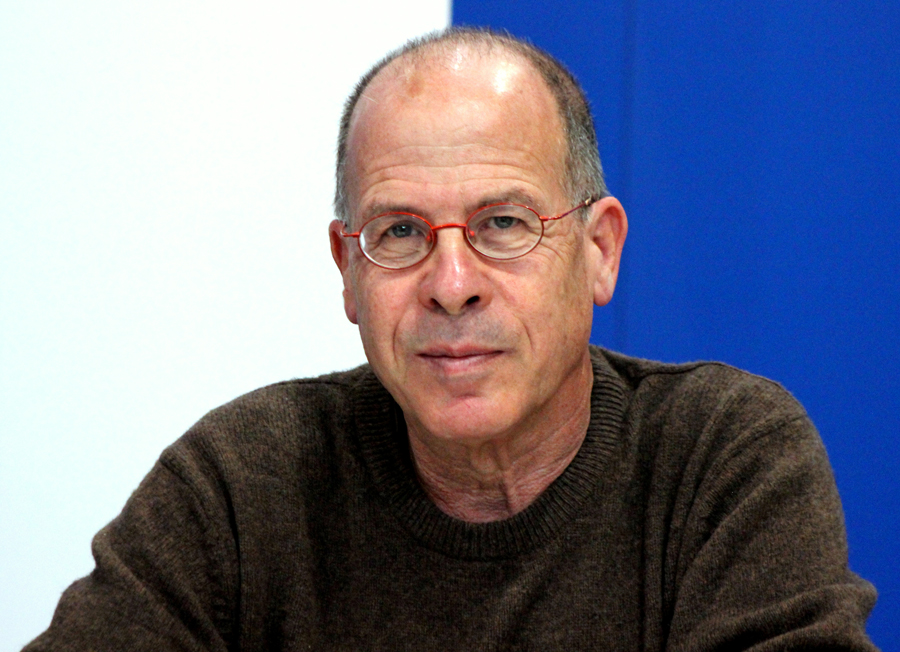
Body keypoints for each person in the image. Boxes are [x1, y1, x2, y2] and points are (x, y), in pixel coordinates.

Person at [24, 27, 878, 651]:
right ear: (347, 272)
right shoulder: (244, 484)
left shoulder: (720, 459)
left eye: (502, 223)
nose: (452, 282)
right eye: (399, 233)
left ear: (599, 251)